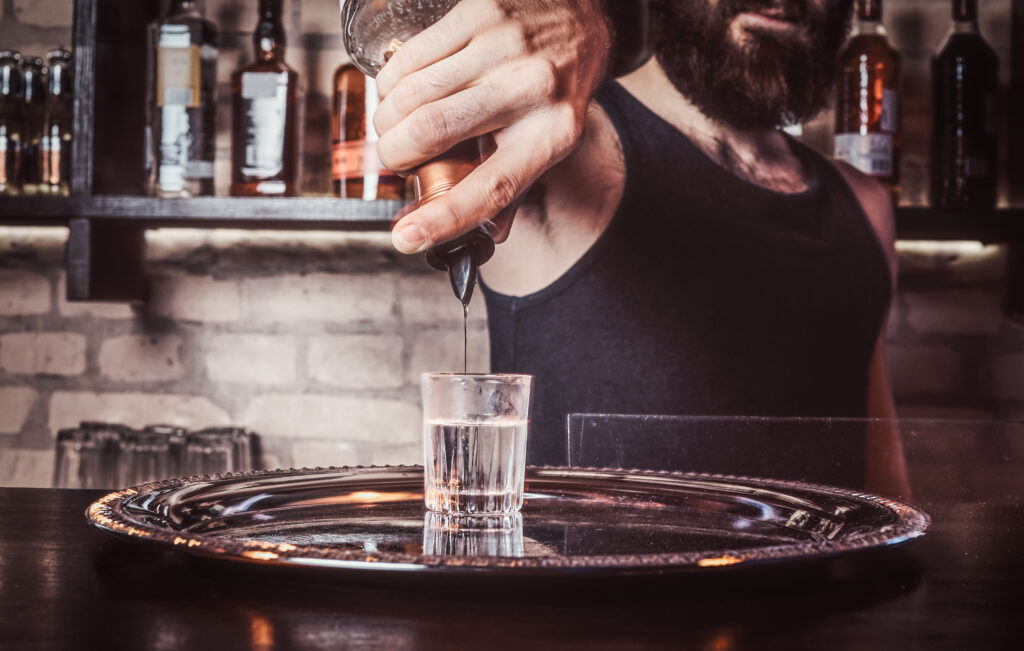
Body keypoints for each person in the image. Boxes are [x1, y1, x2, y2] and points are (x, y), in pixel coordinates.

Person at [372, 0, 909, 497]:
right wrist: (576, 20)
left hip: (823, 600)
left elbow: (888, 495)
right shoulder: (564, 141)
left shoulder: (865, 205)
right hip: (595, 602)